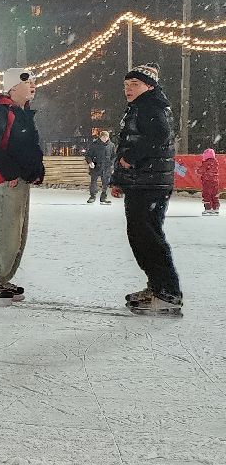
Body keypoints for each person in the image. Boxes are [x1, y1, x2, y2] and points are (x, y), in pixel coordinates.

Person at [112, 64, 182, 315]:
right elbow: (130, 143)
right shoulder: (142, 106)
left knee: (147, 237)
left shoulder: (150, 106)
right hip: (143, 182)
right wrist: (119, 179)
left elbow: (159, 136)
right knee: (142, 236)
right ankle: (158, 287)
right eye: (126, 85)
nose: (128, 90)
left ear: (149, 86)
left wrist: (132, 159)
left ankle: (167, 293)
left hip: (149, 184)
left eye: (135, 85)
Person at [0, 68, 45, 302]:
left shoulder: (19, 112)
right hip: (7, 181)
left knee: (16, 232)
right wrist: (9, 171)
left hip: (18, 179)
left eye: (35, 82)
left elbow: (27, 147)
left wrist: (36, 170)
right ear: (13, 88)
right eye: (28, 82)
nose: (33, 85)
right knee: (5, 229)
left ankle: (2, 278)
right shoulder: (1, 112)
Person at [85, 130, 115, 205]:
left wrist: (111, 164)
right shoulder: (94, 145)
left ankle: (103, 198)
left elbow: (114, 156)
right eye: (103, 137)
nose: (105, 138)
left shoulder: (111, 145)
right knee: (93, 182)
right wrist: (90, 162)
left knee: (105, 183)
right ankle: (92, 197)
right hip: (96, 166)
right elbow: (88, 155)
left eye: (106, 137)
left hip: (106, 167)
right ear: (100, 137)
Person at [201, 147, 219, 216]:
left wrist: (197, 170)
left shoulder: (206, 163)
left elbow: (202, 170)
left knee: (206, 194)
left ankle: (208, 208)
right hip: (215, 182)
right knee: (214, 195)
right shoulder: (215, 163)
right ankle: (216, 208)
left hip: (207, 182)